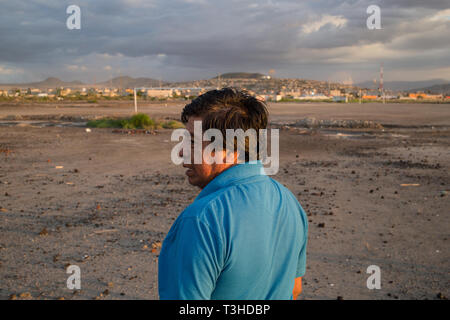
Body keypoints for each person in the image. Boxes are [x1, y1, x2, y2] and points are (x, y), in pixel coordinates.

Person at [158, 88, 308, 300]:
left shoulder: (202, 220)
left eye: (192, 141)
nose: (181, 151)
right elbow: (294, 290)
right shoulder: (289, 202)